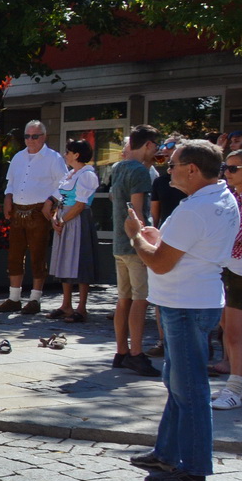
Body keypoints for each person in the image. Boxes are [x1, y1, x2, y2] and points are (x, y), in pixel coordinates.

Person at [124, 140, 239, 481]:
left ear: (192, 169)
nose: (167, 169)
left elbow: (158, 262)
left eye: (172, 164)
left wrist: (136, 238)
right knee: (177, 384)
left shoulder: (196, 208)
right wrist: (156, 237)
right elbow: (186, 248)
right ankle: (168, 453)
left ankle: (194, 468)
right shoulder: (220, 197)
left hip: (185, 305)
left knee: (189, 390)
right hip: (196, 301)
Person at [0, 121, 67, 314]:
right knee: (15, 255)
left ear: (43, 137)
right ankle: (14, 298)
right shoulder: (19, 157)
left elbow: (64, 183)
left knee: (37, 255)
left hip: (38, 211)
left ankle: (35, 299)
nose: (30, 140)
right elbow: (11, 182)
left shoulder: (53, 158)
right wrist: (8, 197)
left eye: (34, 136)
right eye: (27, 136)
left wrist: (51, 200)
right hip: (18, 210)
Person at [109, 126, 162, 376]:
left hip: (119, 242)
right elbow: (137, 211)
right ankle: (136, 353)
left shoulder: (118, 167)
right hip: (133, 242)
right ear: (149, 145)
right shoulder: (140, 171)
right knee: (140, 300)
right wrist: (144, 242)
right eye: (156, 146)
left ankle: (121, 351)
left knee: (123, 298)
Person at [211, 148, 242, 409]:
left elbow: (233, 234)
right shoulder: (235, 196)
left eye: (233, 168)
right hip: (236, 266)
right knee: (236, 328)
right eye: (225, 167)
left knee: (235, 332)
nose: (226, 172)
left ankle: (235, 388)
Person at [48, 139, 101, 322]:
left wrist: (62, 219)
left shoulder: (87, 175)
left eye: (69, 152)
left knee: (80, 261)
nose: (66, 155)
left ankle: (82, 307)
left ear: (77, 155)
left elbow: (80, 205)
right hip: (65, 219)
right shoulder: (71, 174)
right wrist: (56, 217)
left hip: (77, 220)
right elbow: (61, 199)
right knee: (65, 260)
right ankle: (66, 305)